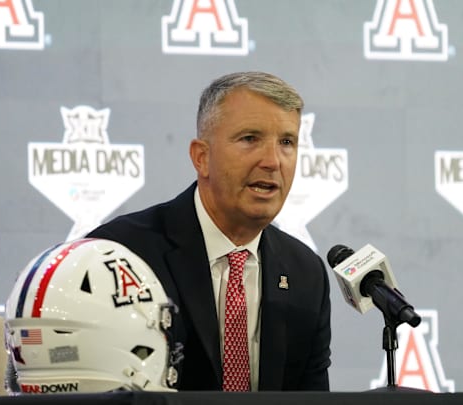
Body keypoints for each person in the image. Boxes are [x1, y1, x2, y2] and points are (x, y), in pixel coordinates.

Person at [86, 71, 331, 391]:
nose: (273, 161)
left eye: (286, 142)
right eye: (250, 138)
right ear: (201, 157)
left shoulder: (306, 274)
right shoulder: (120, 255)